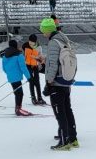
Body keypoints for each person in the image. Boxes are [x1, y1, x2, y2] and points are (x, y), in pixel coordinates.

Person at [42, 17, 79, 150]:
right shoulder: (64, 39)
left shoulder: (53, 42)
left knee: (60, 113)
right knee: (67, 110)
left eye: (43, 30)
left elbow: (52, 64)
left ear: (47, 30)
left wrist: (48, 81)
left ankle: (64, 141)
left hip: (57, 82)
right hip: (66, 80)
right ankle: (73, 138)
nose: (43, 33)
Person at [0, 40, 32, 117]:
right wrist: (29, 77)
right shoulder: (19, 55)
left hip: (10, 77)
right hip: (17, 77)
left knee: (17, 93)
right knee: (19, 93)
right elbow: (23, 67)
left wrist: (10, 74)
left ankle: (17, 108)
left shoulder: (5, 55)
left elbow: (4, 68)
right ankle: (18, 109)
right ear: (15, 45)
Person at [23, 34, 46, 105]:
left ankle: (39, 97)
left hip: (35, 65)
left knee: (37, 81)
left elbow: (40, 57)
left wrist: (40, 60)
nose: (30, 43)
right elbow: (24, 55)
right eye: (29, 41)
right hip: (27, 65)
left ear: (35, 41)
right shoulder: (25, 45)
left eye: (32, 42)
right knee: (31, 81)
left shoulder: (39, 47)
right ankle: (33, 98)